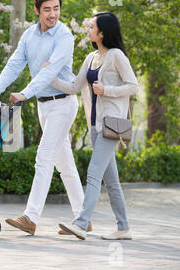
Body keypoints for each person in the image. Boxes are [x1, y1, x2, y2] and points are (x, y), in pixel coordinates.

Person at [0, 0, 90, 235]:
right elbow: (15, 64)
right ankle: (83, 217)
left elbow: (49, 71)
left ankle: (30, 218)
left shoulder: (64, 36)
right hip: (45, 106)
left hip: (63, 103)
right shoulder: (29, 35)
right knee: (65, 164)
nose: (53, 14)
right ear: (37, 10)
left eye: (57, 8)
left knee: (43, 158)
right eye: (47, 9)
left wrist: (24, 93)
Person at [49, 12, 139, 240]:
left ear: (102, 32)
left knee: (93, 172)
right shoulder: (91, 58)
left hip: (111, 124)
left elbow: (133, 86)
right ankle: (124, 227)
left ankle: (81, 223)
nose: (88, 29)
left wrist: (106, 90)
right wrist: (49, 76)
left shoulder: (116, 56)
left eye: (92, 26)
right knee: (112, 181)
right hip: (95, 125)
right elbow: (73, 86)